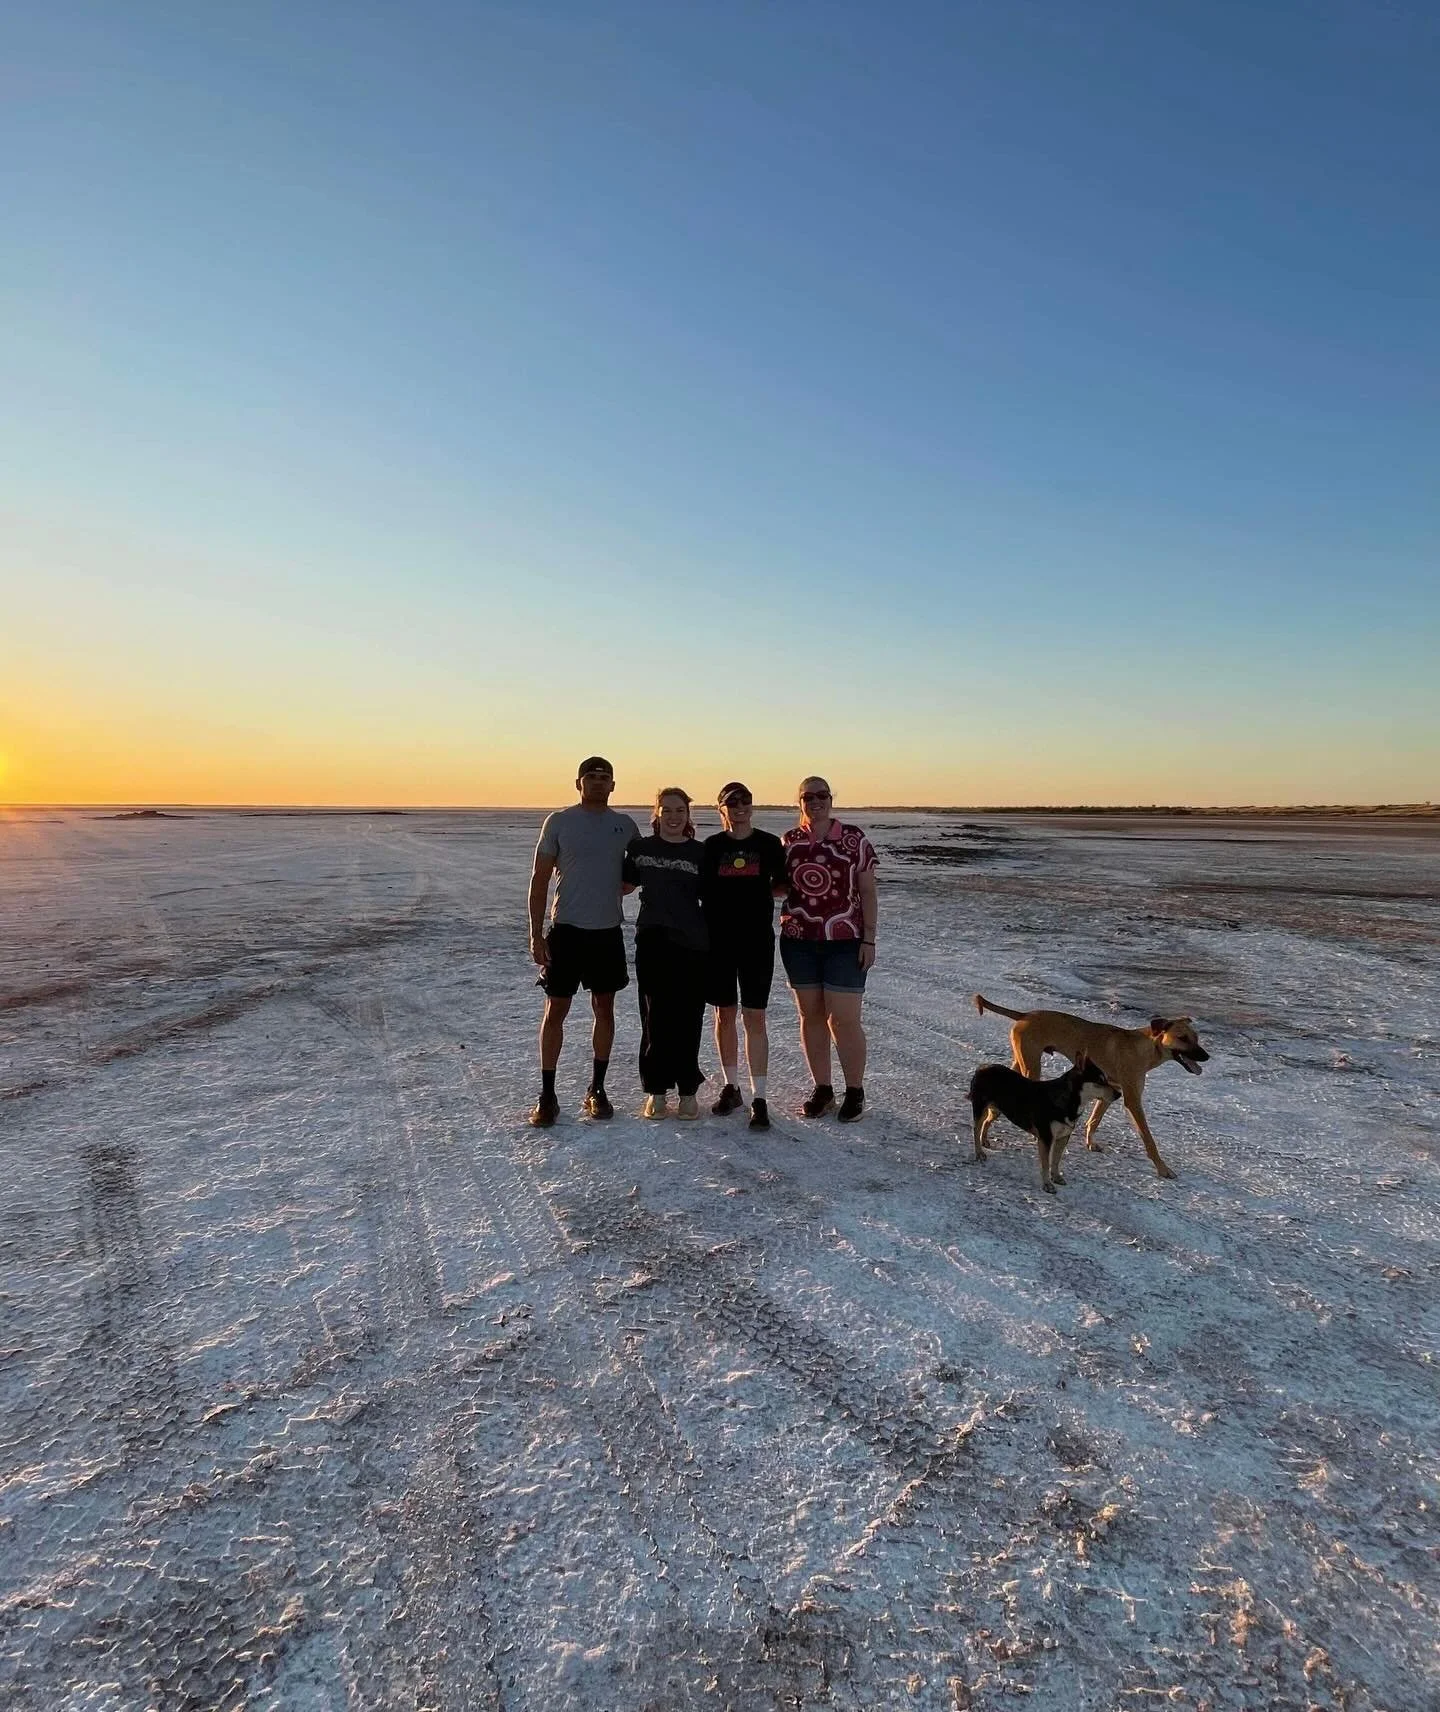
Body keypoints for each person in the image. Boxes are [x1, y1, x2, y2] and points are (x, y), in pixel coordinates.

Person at [527, 757, 641, 1127]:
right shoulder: (559, 822)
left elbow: (644, 865)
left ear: (613, 785)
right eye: (590, 777)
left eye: (604, 778)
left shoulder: (624, 826)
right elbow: (540, 879)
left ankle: (597, 1089)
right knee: (555, 1010)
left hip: (606, 933)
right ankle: (547, 1094)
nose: (597, 782)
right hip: (567, 932)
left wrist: (629, 883)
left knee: (604, 1008)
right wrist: (535, 934)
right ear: (578, 784)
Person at [779, 775, 878, 1123]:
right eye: (808, 796)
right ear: (800, 801)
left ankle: (855, 1090)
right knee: (811, 1016)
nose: (815, 801)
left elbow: (867, 892)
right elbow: (778, 888)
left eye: (822, 795)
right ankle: (822, 1088)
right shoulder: (789, 841)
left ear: (831, 799)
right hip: (798, 941)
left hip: (846, 941)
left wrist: (869, 938)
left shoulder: (854, 839)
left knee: (845, 1019)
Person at [701, 781, 787, 1130]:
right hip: (719, 942)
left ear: (752, 807)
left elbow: (782, 885)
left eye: (745, 802)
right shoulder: (711, 847)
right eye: (732, 803)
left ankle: (759, 1097)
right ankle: (731, 1086)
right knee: (724, 1015)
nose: (739, 807)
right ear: (721, 808)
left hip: (756, 941)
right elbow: (700, 890)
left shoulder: (768, 844)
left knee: (755, 1016)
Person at [622, 787, 709, 1119]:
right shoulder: (640, 849)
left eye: (680, 811)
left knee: (688, 1017)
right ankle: (656, 1091)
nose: (674, 816)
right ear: (656, 814)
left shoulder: (700, 853)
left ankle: (688, 1091)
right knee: (655, 1017)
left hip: (693, 943)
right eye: (667, 810)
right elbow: (621, 883)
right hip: (654, 941)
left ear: (688, 816)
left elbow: (717, 898)